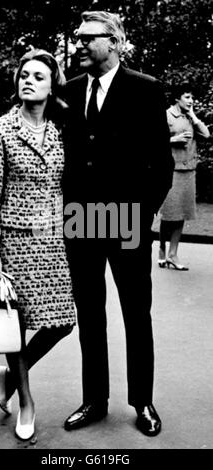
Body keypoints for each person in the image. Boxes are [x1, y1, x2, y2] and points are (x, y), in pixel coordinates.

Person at [61, 11, 174, 436]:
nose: (80, 45)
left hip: (127, 218)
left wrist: (142, 215)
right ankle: (94, 400)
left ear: (113, 42)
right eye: (77, 38)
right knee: (90, 314)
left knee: (135, 313)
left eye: (88, 38)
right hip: (79, 220)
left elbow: (161, 164)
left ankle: (142, 402)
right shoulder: (68, 92)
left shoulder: (145, 89)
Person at [0, 49, 76, 441]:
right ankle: (27, 402)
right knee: (14, 327)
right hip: (14, 244)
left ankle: (9, 375)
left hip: (53, 240)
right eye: (24, 74)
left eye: (38, 75)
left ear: (53, 85)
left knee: (64, 322)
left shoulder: (61, 130)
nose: (29, 80)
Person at [158, 82, 210, 270]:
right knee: (169, 214)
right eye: (187, 97)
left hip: (188, 171)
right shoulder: (166, 115)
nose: (191, 101)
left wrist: (194, 116)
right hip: (170, 171)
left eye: (192, 97)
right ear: (177, 99)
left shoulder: (190, 117)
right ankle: (162, 249)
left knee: (182, 214)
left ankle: (173, 254)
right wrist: (173, 139)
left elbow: (206, 134)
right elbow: (152, 141)